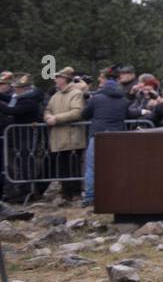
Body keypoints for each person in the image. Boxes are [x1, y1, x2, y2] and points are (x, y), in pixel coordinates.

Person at [79, 67, 130, 206]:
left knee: (91, 167)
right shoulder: (123, 100)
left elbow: (84, 114)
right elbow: (129, 114)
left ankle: (90, 197)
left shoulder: (96, 99)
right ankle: (116, 194)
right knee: (116, 167)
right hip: (117, 136)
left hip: (98, 135)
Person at [42, 66, 87, 199]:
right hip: (59, 137)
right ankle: (66, 194)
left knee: (73, 167)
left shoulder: (76, 94)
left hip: (72, 137)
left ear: (64, 79)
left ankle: (75, 193)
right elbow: (47, 109)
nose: (55, 80)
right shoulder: (55, 96)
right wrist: (48, 117)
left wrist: (56, 118)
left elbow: (77, 112)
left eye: (58, 77)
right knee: (63, 167)